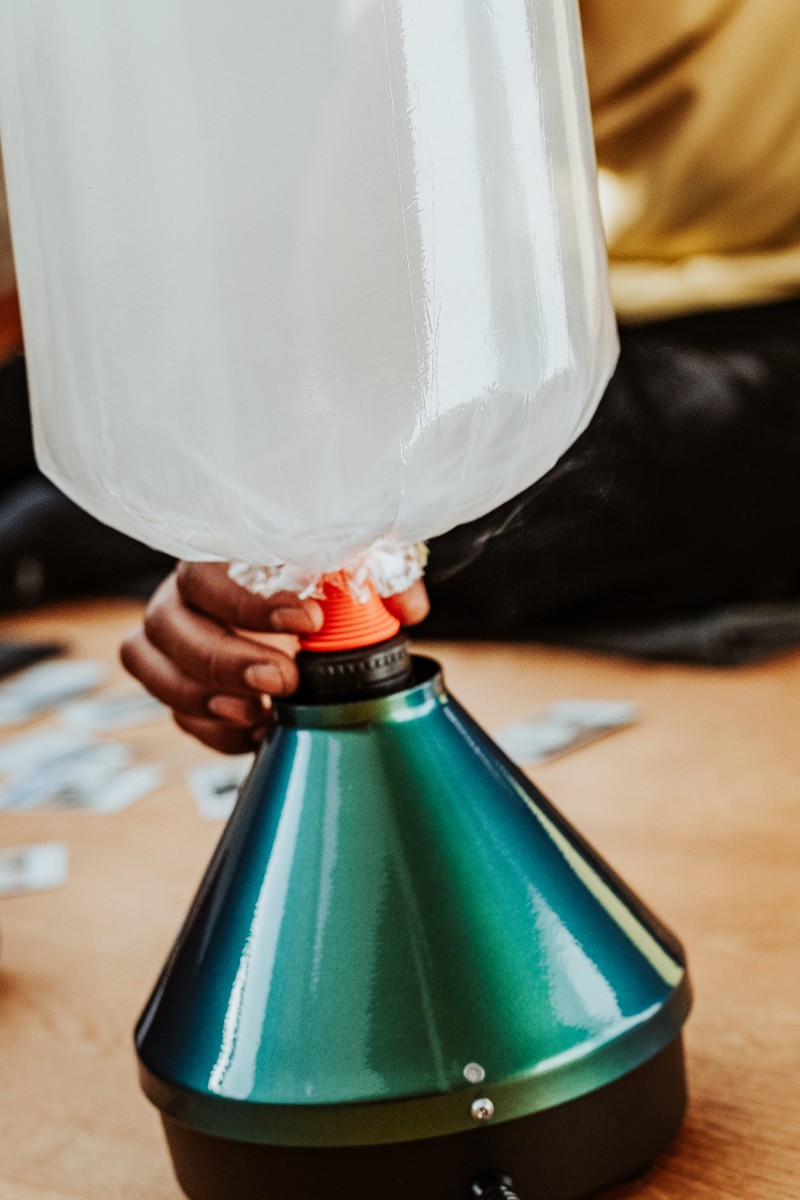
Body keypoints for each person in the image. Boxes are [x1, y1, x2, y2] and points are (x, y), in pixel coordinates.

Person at [7, 4, 800, 749]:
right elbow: (389, 133)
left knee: (572, 486)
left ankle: (65, 542)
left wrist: (280, 495)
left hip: (723, 340)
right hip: (545, 298)